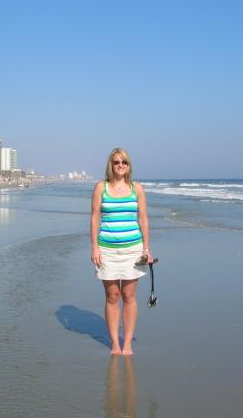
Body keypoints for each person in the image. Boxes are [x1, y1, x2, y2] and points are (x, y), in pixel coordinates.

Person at [91, 147, 154, 355]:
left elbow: (143, 219)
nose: (120, 165)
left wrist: (146, 249)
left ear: (129, 165)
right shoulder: (101, 187)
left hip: (132, 250)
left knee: (128, 295)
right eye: (116, 162)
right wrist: (95, 247)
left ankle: (127, 343)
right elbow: (94, 218)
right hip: (107, 250)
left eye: (124, 162)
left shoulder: (137, 189)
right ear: (111, 165)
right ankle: (114, 343)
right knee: (112, 295)